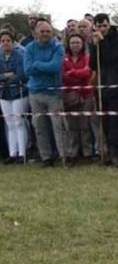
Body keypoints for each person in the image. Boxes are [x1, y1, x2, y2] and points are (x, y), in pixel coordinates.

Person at [23, 19, 66, 166]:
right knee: (39, 127)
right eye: (42, 31)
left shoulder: (58, 47)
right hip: (35, 92)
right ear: (36, 32)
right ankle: (46, 157)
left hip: (54, 93)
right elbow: (27, 70)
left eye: (48, 31)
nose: (45, 34)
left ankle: (65, 156)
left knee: (59, 126)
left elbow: (55, 67)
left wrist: (36, 64)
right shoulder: (29, 48)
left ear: (52, 32)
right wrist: (43, 66)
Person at [91, 13, 118, 167]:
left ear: (109, 25)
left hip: (114, 83)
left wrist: (102, 42)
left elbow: (111, 58)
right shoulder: (94, 42)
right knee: (104, 121)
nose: (102, 29)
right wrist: (94, 46)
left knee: (114, 121)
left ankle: (116, 153)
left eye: (104, 26)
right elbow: (93, 64)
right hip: (101, 84)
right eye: (99, 26)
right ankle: (104, 152)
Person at [62, 33, 94, 165]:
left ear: (82, 44)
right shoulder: (64, 59)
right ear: (68, 45)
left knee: (85, 125)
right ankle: (73, 153)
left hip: (86, 95)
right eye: (72, 42)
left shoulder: (87, 58)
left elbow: (87, 72)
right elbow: (63, 76)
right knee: (72, 126)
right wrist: (77, 73)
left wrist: (72, 72)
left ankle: (87, 153)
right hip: (70, 96)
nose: (75, 45)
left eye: (78, 42)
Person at [0, 29, 28, 163]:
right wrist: (6, 76)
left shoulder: (20, 55)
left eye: (8, 41)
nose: (6, 43)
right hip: (3, 94)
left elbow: (21, 74)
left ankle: (22, 153)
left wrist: (7, 78)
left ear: (13, 42)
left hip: (18, 93)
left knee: (18, 122)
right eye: (3, 41)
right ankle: (13, 153)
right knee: (9, 124)